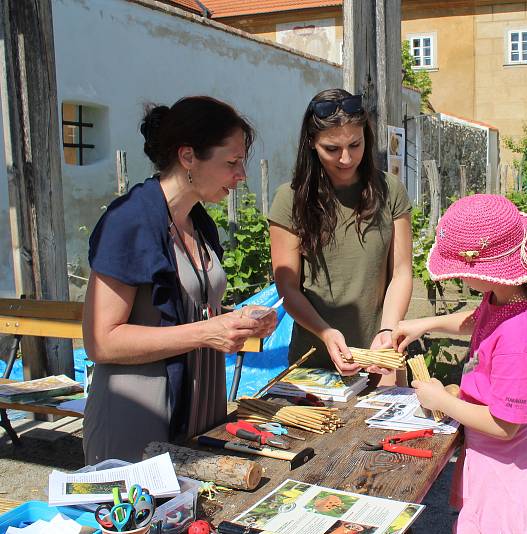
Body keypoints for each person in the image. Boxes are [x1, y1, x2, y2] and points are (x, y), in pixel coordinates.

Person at [82, 96, 277, 463]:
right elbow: (101, 342)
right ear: (188, 157)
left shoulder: (197, 221)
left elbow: (180, 310)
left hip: (198, 415)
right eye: (232, 162)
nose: (241, 175)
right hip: (136, 424)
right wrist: (207, 332)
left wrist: (238, 319)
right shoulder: (130, 221)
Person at [393, 194, 527, 534]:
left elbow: (505, 425)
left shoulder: (521, 338)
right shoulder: (503, 298)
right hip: (494, 461)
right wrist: (423, 324)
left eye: (459, 271)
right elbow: (477, 321)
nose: (456, 278)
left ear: (483, 270)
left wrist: (442, 401)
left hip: (510, 475)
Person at [269, 89, 412, 384]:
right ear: (311, 144)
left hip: (380, 360)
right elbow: (288, 290)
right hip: (314, 364)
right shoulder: (289, 199)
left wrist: (387, 331)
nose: (346, 158)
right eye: (332, 149)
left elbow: (401, 271)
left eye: (355, 145)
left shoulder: (391, 189)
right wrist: (325, 332)